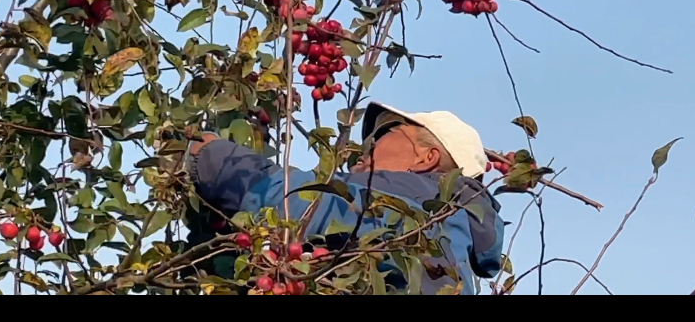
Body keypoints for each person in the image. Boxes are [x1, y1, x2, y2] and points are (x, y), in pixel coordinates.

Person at [185, 102, 505, 295]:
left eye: (385, 134)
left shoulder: (412, 200)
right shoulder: (455, 239)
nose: (366, 148)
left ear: (426, 159)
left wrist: (210, 155)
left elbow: (285, 197)